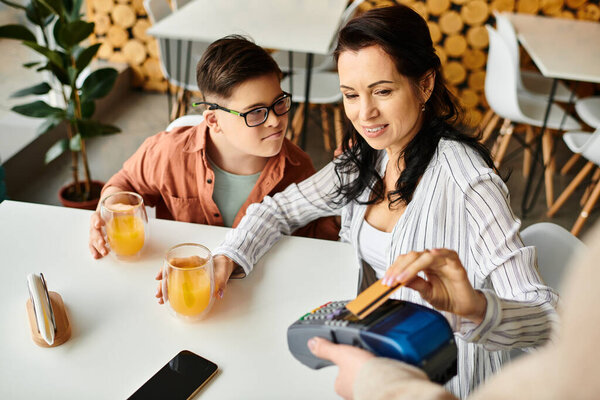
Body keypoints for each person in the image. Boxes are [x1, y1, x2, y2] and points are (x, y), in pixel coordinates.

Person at [202, 6, 557, 397]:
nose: (364, 113)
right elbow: (281, 208)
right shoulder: (369, 155)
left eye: (383, 91)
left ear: (424, 85)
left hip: (447, 383)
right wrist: (229, 256)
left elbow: (549, 318)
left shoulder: (469, 183)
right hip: (372, 358)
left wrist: (477, 308)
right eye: (351, 95)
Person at [88, 36, 339, 286]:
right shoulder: (168, 151)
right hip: (180, 284)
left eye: (279, 103)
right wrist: (106, 214)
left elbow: (312, 238)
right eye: (256, 112)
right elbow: (125, 183)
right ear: (214, 121)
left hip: (257, 287)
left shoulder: (297, 168)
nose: (275, 120)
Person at [307, 220, 600, 400]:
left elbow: (560, 332)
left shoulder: (470, 183)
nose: (365, 114)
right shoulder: (363, 160)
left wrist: (375, 384)